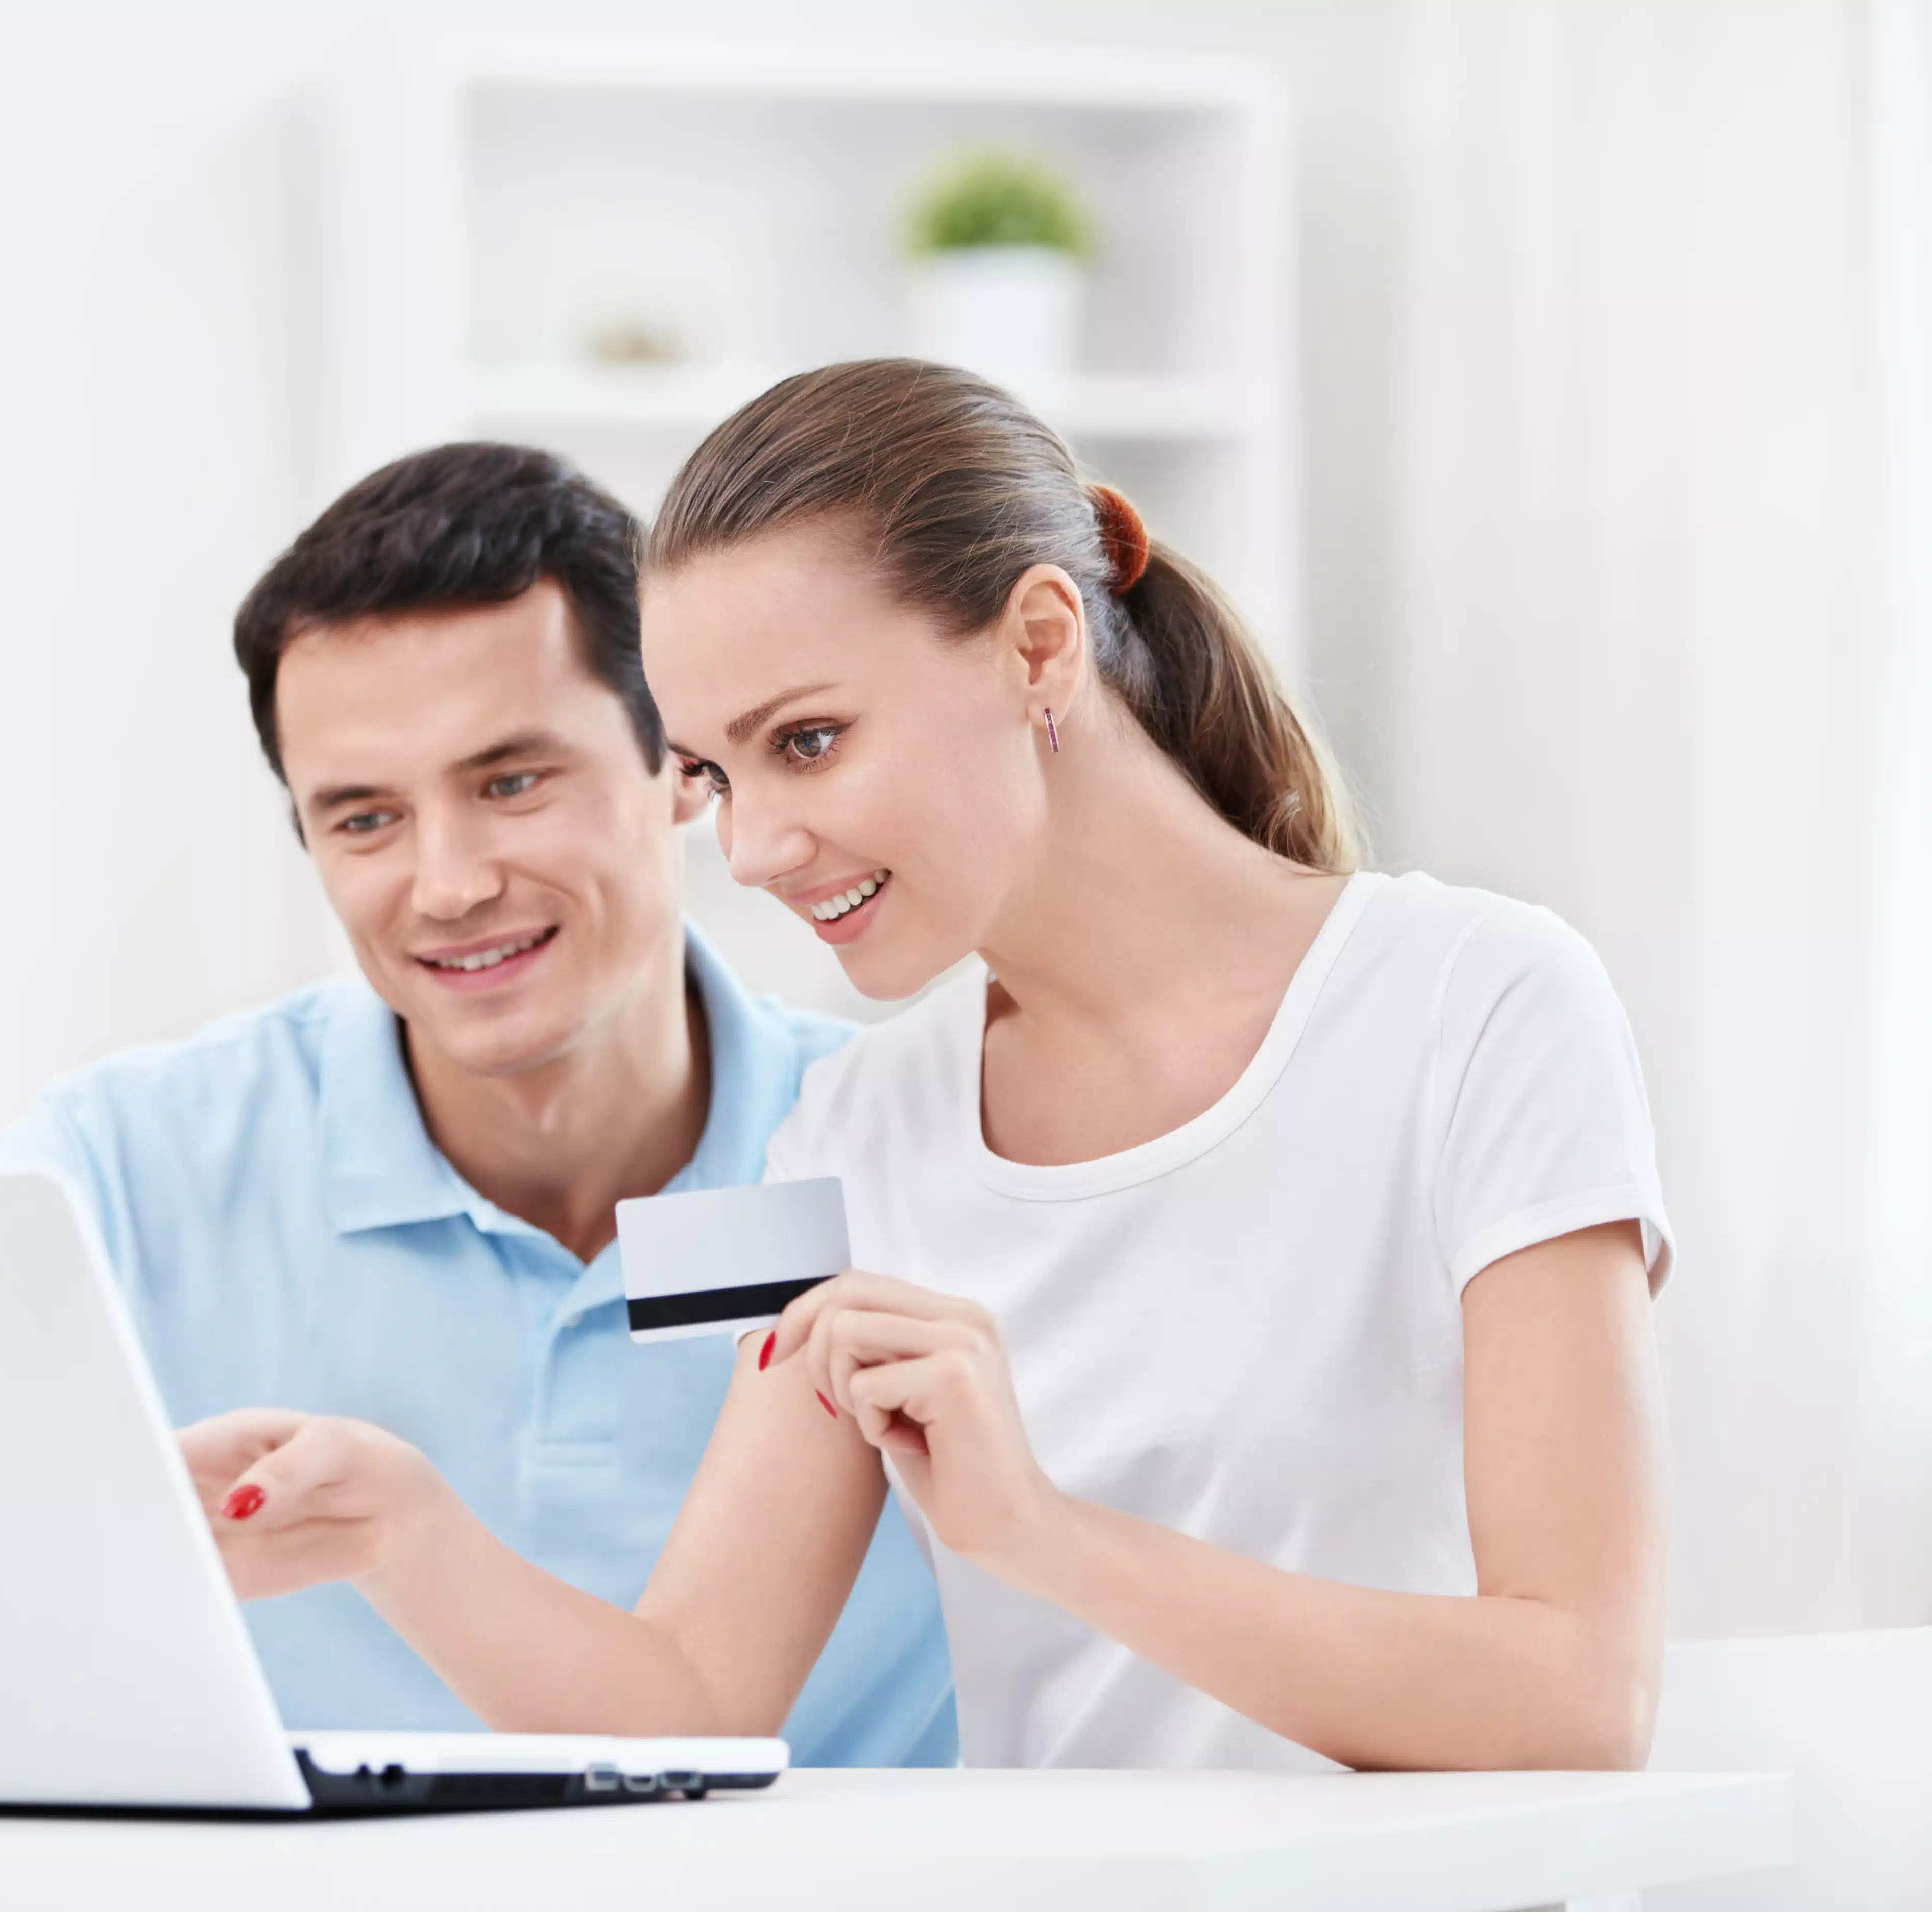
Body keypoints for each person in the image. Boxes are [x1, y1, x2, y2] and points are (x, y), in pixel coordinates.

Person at [0, 442, 956, 1804]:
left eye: (512, 780)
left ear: (680, 772)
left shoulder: (904, 1150)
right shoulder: (129, 1169)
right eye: (363, 817)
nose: (448, 880)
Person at [180, 361, 1674, 1773]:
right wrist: (400, 1528)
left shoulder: (1481, 1006)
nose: (753, 849)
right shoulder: (849, 1126)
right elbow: (695, 1701)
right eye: (714, 773)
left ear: (1039, 646)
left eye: (811, 742)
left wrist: (1035, 1529)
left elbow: (1579, 1693)